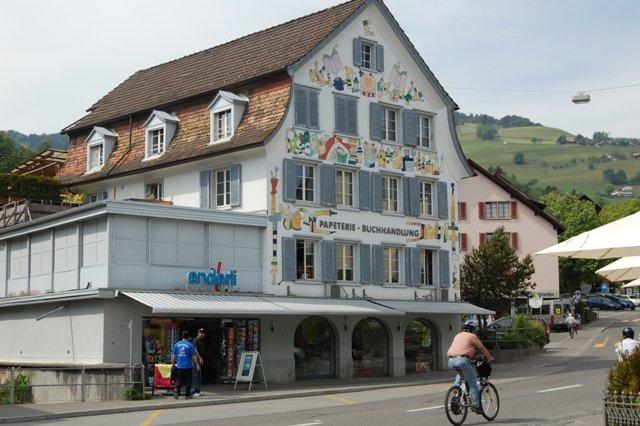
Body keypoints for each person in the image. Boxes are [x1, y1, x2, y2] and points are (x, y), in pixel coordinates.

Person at [447, 323, 495, 414]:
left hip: (451, 360)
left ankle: (456, 392)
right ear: (472, 330)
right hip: (462, 360)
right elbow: (482, 348)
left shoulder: (458, 335)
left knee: (461, 375)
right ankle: (475, 405)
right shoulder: (472, 336)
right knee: (472, 383)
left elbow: (462, 348)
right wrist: (489, 358)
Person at [171, 330, 199, 399]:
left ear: (182, 336)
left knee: (179, 379)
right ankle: (187, 395)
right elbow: (194, 356)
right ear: (188, 337)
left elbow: (174, 356)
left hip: (179, 366)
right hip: (188, 366)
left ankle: (177, 389)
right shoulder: (190, 345)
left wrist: (173, 364)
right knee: (188, 381)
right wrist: (197, 364)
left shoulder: (177, 344)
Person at [191, 328, 206, 397]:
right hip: (195, 361)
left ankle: (198, 390)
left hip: (199, 361)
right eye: (201, 332)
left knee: (199, 376)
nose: (202, 334)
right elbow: (195, 350)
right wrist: (199, 358)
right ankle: (193, 391)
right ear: (198, 333)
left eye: (203, 333)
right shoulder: (195, 340)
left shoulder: (201, 341)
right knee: (195, 375)